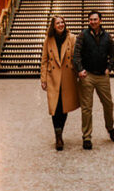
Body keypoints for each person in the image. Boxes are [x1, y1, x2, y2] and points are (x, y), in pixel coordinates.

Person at [73, 9, 114, 150]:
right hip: (88, 76)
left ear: (100, 21)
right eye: (91, 19)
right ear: (88, 21)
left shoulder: (107, 37)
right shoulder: (83, 36)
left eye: (95, 19)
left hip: (102, 76)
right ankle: (86, 137)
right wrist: (80, 69)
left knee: (108, 104)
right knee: (87, 108)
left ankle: (110, 128)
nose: (93, 22)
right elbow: (76, 54)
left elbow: (113, 53)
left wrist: (109, 68)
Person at [40, 15, 79, 151]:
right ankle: (58, 136)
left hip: (68, 77)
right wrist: (43, 79)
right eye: (58, 23)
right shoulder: (48, 40)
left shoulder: (72, 38)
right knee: (55, 108)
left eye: (62, 22)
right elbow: (44, 60)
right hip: (53, 77)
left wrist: (79, 71)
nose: (61, 24)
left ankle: (60, 131)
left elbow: (76, 56)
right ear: (53, 25)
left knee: (64, 107)